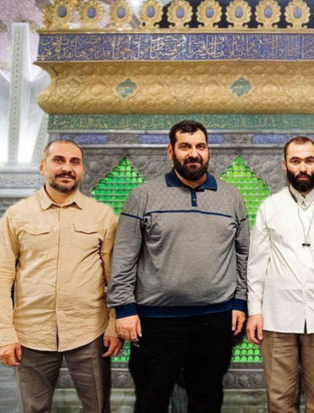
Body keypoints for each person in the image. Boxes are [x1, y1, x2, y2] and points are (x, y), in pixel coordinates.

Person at [107, 120, 249, 413]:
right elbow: (124, 255)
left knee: (206, 402)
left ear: (208, 150)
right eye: (185, 146)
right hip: (156, 323)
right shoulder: (143, 195)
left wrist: (240, 301)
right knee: (151, 401)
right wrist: (124, 309)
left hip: (215, 320)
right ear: (170, 151)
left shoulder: (231, 196)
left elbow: (243, 254)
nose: (193, 153)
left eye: (200, 146)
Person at [0, 139, 121, 413]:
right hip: (31, 334)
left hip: (90, 333)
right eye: (59, 160)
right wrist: (4, 334)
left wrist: (113, 326)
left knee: (98, 408)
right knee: (33, 409)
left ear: (82, 169)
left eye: (75, 162)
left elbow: (116, 278)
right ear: (42, 166)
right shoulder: (16, 217)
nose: (67, 168)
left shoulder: (103, 217)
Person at [246, 136, 314, 413]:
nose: (303, 168)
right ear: (284, 165)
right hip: (277, 317)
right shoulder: (270, 207)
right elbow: (256, 264)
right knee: (279, 400)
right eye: (296, 161)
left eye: (309, 161)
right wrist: (255, 312)